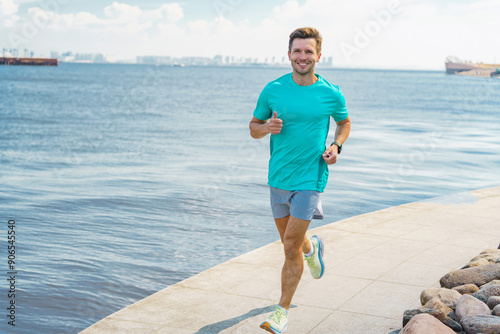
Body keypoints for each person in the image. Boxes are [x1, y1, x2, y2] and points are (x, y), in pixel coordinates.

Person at [249, 27, 351, 334]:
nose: (302, 57)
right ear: (289, 54)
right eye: (297, 51)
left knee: (288, 245)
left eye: (308, 51)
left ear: (319, 55)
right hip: (278, 177)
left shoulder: (330, 93)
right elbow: (253, 127)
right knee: (290, 243)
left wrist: (336, 146)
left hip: (311, 177)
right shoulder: (273, 89)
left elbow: (344, 122)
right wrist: (266, 127)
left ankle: (281, 311)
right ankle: (312, 249)